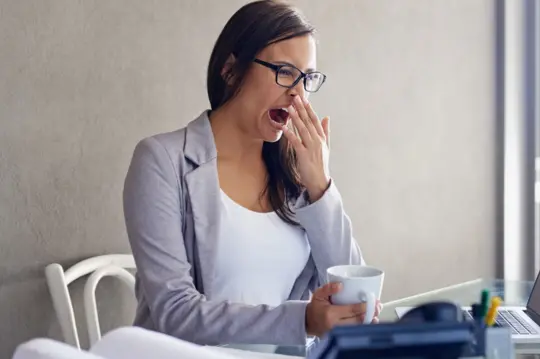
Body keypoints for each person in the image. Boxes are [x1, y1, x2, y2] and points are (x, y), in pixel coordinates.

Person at [122, 0, 379, 347]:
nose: (297, 93)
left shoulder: (296, 177)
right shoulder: (162, 161)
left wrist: (321, 186)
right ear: (231, 70)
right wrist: (301, 320)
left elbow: (354, 298)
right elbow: (175, 314)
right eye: (285, 71)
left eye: (307, 78)